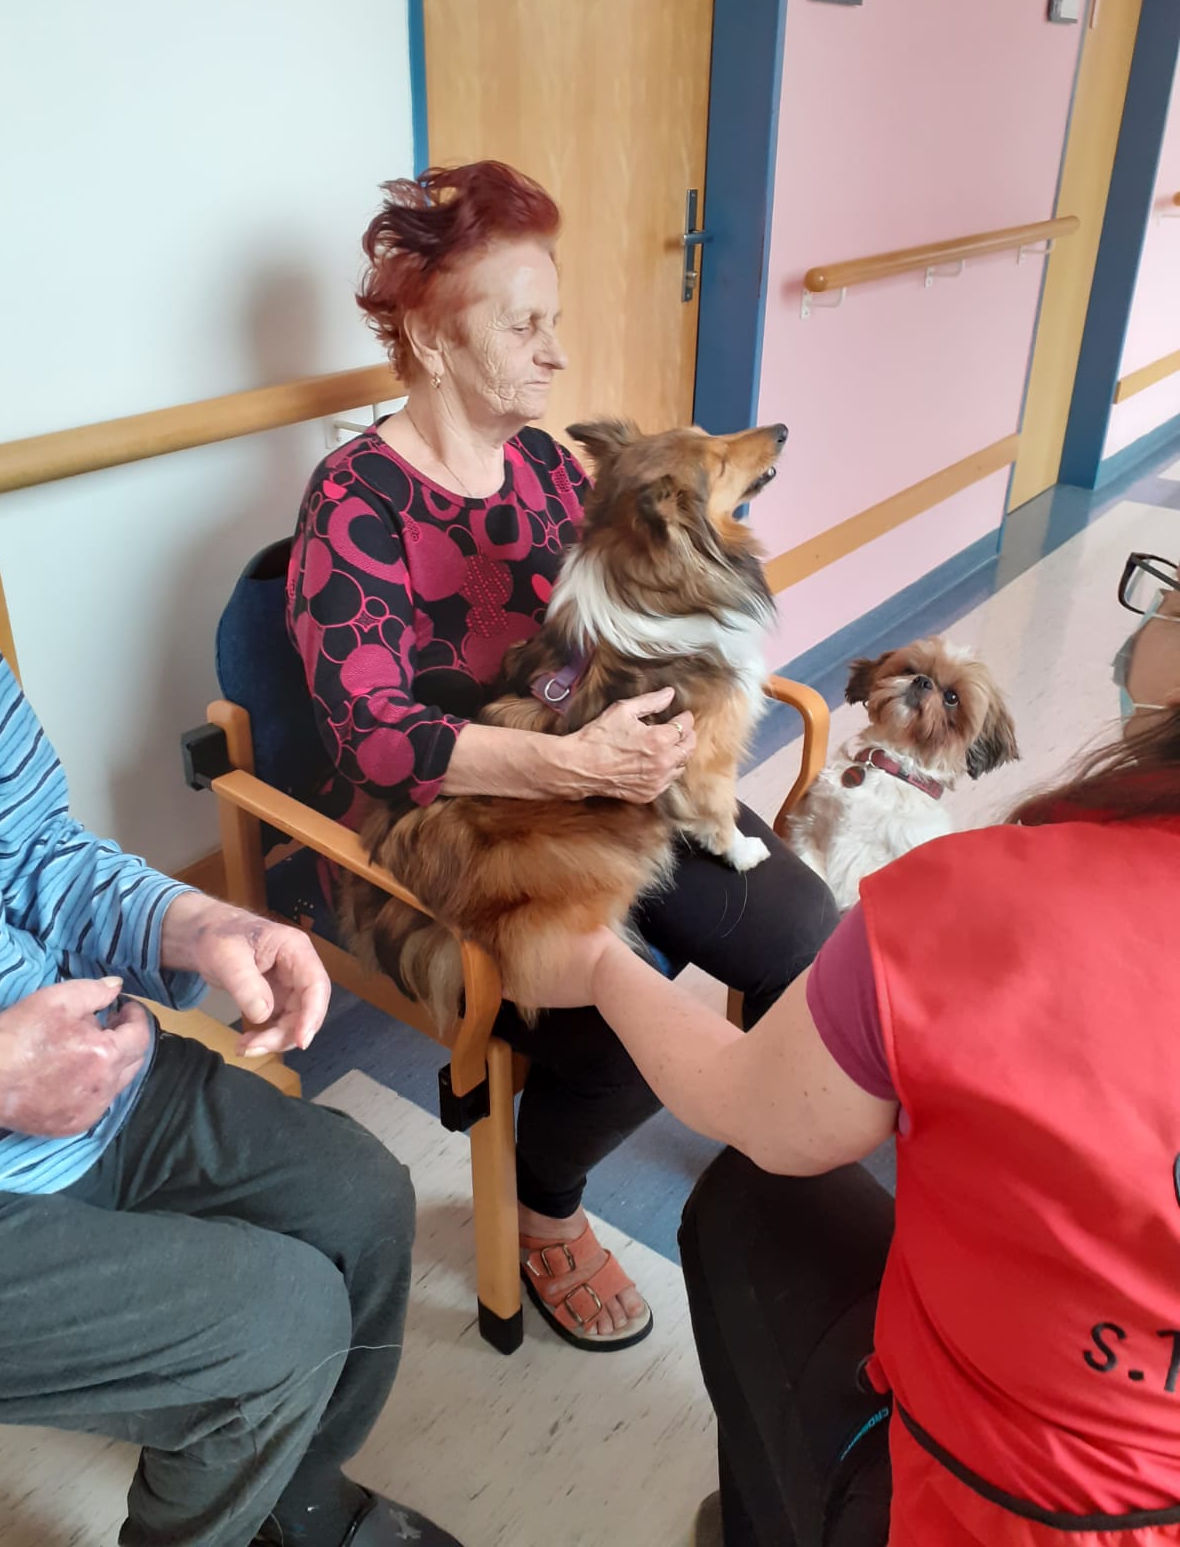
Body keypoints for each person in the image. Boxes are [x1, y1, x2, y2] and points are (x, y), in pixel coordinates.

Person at [508, 548, 1180, 1544]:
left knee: (749, 1185)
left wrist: (604, 968)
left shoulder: (984, 898)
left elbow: (751, 1115)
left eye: (1170, 589)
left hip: (996, 1507)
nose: (1154, 607)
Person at [286, 160, 838, 1350]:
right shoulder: (354, 502)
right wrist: (566, 761)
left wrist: (633, 728)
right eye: (523, 326)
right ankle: (546, 1212)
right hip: (441, 832)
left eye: (555, 322)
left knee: (798, 923)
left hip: (592, 782)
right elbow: (373, 735)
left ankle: (773, 1136)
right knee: (619, 1016)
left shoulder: (543, 464)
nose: (557, 353)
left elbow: (569, 655)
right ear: (431, 340)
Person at [0, 626, 464, 1547]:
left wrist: (197, 924)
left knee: (360, 1201)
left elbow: (38, 851)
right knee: (280, 1325)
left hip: (89, 1076)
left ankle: (288, 1494)